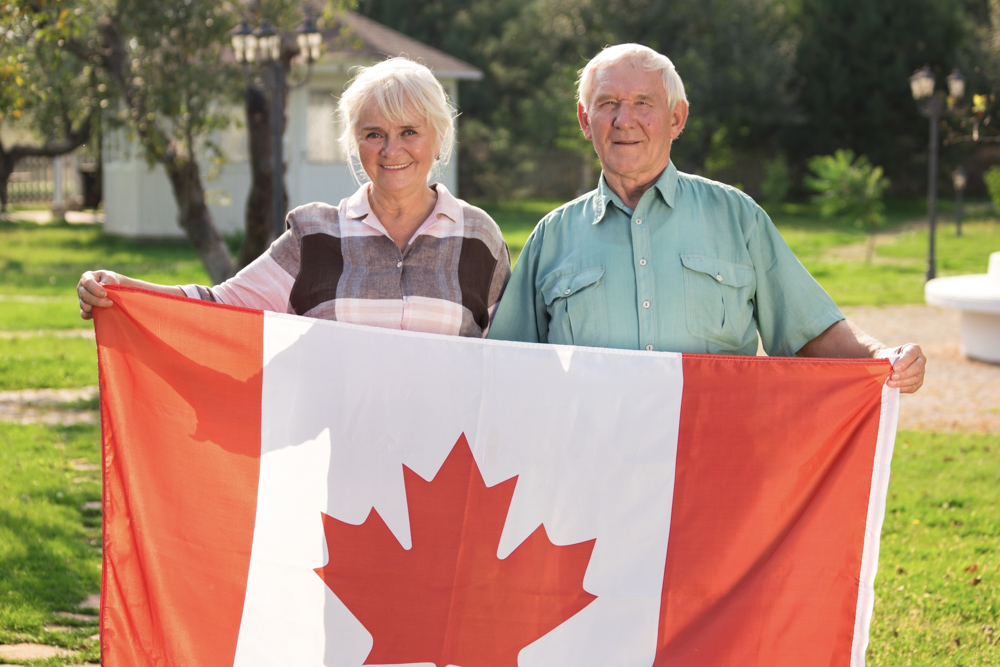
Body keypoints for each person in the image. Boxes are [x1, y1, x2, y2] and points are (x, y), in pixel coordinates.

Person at [488, 44, 925, 393]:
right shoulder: (551, 237)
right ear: (586, 120)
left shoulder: (738, 217)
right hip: (593, 465)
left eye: (643, 103)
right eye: (608, 104)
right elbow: (502, 367)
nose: (624, 120)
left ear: (677, 118)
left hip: (713, 460)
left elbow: (808, 330)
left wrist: (882, 357)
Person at [78, 58, 510, 339]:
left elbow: (510, 352)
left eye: (409, 132)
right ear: (355, 143)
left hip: (444, 456)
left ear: (439, 138)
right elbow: (222, 307)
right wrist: (125, 290)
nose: (390, 150)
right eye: (373, 134)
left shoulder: (479, 237)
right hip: (337, 452)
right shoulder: (314, 235)